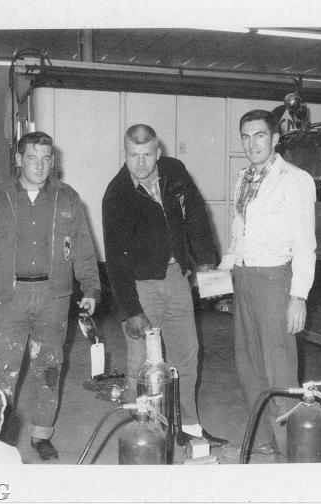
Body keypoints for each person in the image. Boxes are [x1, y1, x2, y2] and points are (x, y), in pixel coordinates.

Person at [0, 131, 100, 461]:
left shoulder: (67, 198)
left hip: (54, 298)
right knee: (1, 372)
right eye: (32, 157)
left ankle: (42, 434)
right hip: (10, 297)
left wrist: (91, 288)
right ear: (19, 159)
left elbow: (83, 249)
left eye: (47, 158)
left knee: (48, 369)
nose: (40, 165)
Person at [102, 124, 228, 448]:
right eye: (134, 156)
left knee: (187, 356)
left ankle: (190, 430)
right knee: (142, 364)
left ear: (159, 153)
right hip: (141, 285)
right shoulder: (116, 194)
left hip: (177, 278)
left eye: (147, 155)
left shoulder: (174, 172)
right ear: (125, 154)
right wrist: (130, 310)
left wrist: (205, 260)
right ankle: (142, 435)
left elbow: (197, 214)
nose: (141, 163)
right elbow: (115, 258)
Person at [226, 109, 316, 459]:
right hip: (244, 278)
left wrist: (298, 296)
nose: (252, 144)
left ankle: (291, 449)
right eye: (246, 137)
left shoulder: (294, 179)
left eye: (259, 135)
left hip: (276, 280)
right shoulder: (243, 177)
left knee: (279, 369)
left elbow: (305, 244)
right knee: (248, 365)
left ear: (274, 138)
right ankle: (269, 436)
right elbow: (240, 230)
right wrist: (225, 265)